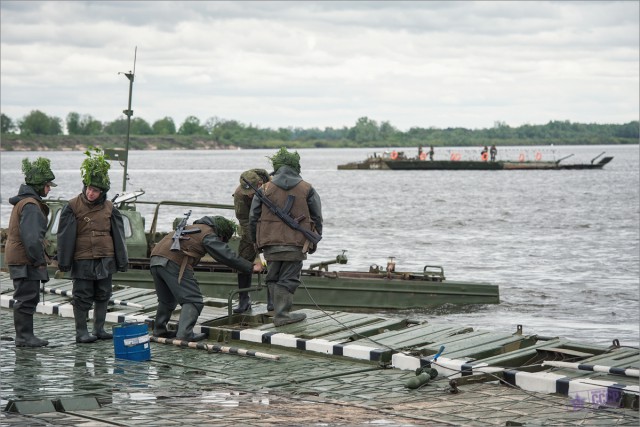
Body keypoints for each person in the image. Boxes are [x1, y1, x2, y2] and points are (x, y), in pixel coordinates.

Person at [149, 215, 262, 341]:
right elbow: (225, 255)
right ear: (221, 233)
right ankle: (185, 333)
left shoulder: (191, 227)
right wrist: (250, 267)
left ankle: (159, 330)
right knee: (193, 299)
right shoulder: (208, 233)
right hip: (174, 262)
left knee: (167, 300)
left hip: (155, 260)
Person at [57, 148, 128, 344]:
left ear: (102, 192)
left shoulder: (110, 208)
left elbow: (118, 235)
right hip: (83, 259)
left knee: (103, 293)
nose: (90, 192)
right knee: (82, 296)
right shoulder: (72, 206)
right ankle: (81, 332)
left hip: (105, 257)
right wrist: (64, 262)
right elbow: (65, 236)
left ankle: (99, 329)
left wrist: (121, 261)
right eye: (88, 188)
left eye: (95, 190)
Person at [249, 147, 323, 327]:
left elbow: (253, 218)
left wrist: (256, 242)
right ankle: (282, 315)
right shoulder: (307, 188)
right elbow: (317, 217)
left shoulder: (264, 188)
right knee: (289, 278)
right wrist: (315, 238)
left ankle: (275, 310)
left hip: (270, 243)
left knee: (273, 276)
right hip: (296, 243)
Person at [6, 157, 57, 347]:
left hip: (18, 257)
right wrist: (39, 261)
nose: (49, 188)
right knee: (27, 297)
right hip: (25, 260)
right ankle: (24, 337)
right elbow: (32, 238)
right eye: (47, 185)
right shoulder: (31, 206)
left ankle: (25, 336)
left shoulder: (24, 203)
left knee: (24, 297)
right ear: (39, 186)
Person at [232, 168, 271, 313]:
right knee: (243, 259)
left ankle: (272, 300)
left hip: (271, 228)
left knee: (272, 260)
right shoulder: (239, 194)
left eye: (252, 193)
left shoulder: (272, 188)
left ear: (260, 183)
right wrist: (255, 241)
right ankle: (243, 300)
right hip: (250, 230)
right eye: (246, 193)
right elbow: (244, 220)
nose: (249, 196)